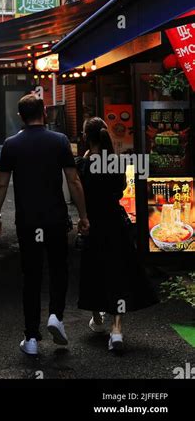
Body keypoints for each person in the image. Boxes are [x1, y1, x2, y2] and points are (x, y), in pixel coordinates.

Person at [0, 94, 89, 355]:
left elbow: (1, 183)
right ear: (44, 112)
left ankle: (32, 338)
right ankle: (56, 316)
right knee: (59, 269)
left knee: (31, 276)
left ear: (20, 116)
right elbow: (74, 181)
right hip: (56, 219)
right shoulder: (59, 141)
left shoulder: (11, 144)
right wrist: (83, 216)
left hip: (27, 221)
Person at [76, 117, 158, 352]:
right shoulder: (115, 162)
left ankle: (98, 320)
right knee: (118, 274)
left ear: (85, 137)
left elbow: (76, 192)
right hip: (115, 223)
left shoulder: (82, 165)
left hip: (93, 224)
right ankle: (117, 330)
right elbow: (121, 189)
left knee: (93, 270)